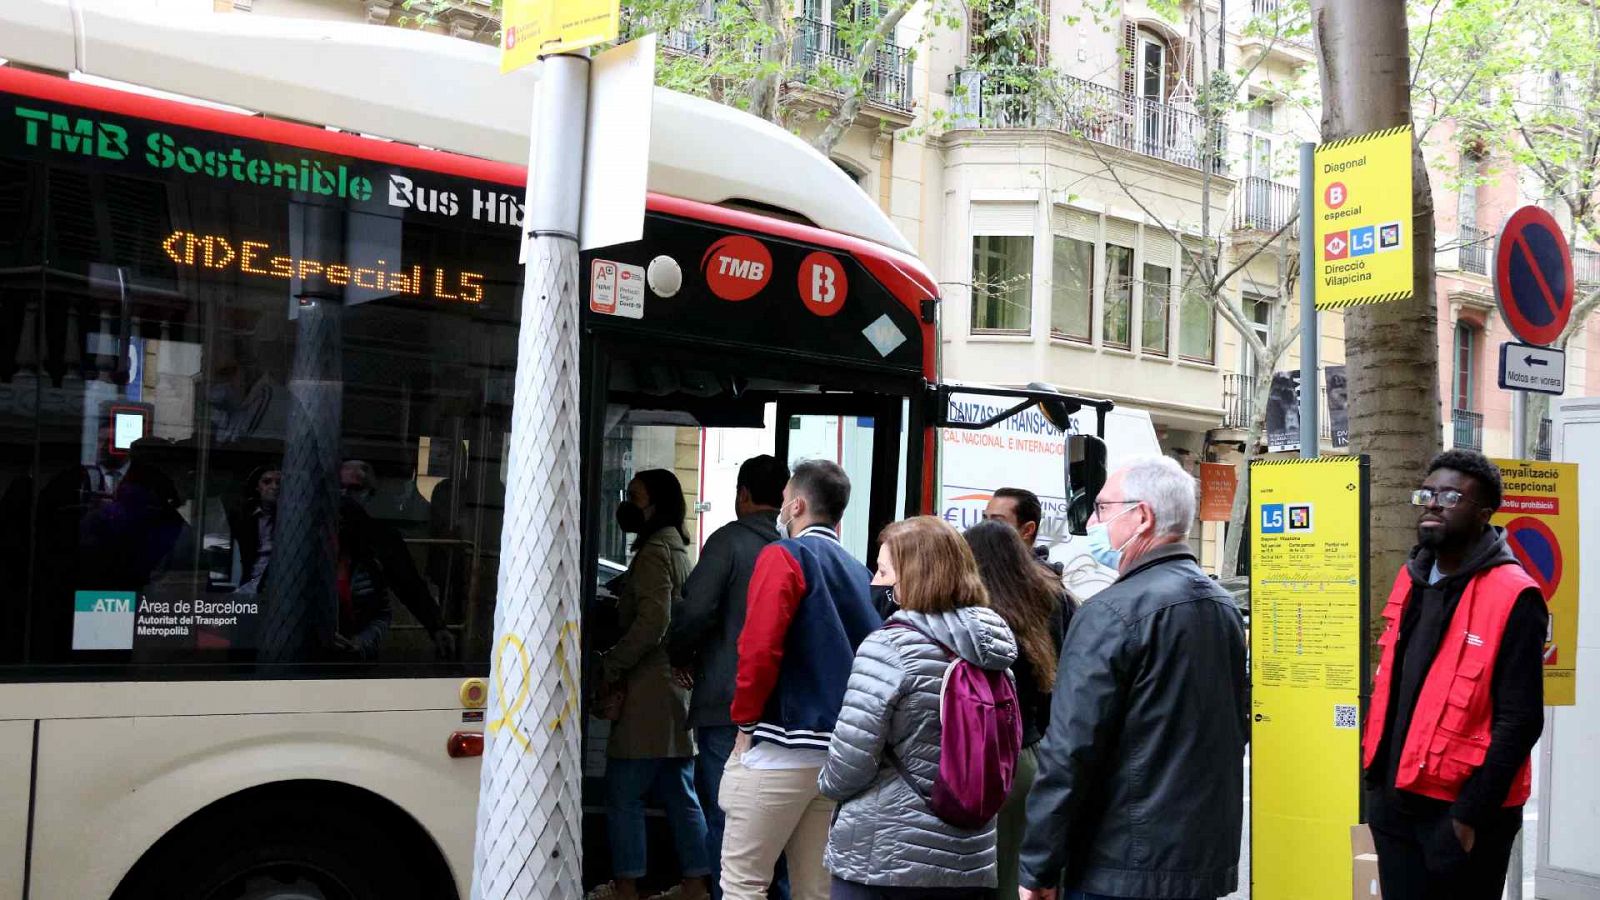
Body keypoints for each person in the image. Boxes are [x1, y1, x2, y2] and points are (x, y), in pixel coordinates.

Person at [1020, 456, 1247, 900]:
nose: (1094, 521)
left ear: (1141, 517)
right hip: (1197, 861)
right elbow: (1231, 730)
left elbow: (1070, 751)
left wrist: (1038, 865)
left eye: (1103, 508)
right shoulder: (1221, 607)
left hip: (1121, 865)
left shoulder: (1111, 613)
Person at [1362, 450, 1546, 900]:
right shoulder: (1412, 578)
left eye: (1450, 496)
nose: (1433, 504)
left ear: (1484, 515)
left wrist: (1468, 816)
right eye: (1427, 494)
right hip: (1395, 801)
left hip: (1460, 813)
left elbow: (1521, 721)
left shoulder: (1515, 594)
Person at [819, 516, 1018, 899]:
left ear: (913, 578)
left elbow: (849, 764)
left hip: (885, 855)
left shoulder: (888, 648)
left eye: (883, 571)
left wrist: (826, 785)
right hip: (970, 855)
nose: (875, 582)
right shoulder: (994, 653)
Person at [723, 460, 880, 900]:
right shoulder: (859, 572)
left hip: (779, 744)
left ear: (796, 505)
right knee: (817, 887)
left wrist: (744, 724)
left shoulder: (783, 557)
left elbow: (759, 649)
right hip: (840, 753)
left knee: (743, 883)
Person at [668, 455, 792, 900]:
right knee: (776, 822)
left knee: (729, 815)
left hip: (727, 703)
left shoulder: (727, 543)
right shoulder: (793, 548)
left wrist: (678, 654)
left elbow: (696, 610)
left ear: (742, 494)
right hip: (785, 711)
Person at [593, 468, 711, 900]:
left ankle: (626, 886)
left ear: (656, 503)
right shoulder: (677, 547)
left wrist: (611, 665)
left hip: (647, 690)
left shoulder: (655, 553)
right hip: (673, 692)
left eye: (636, 496)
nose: (628, 502)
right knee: (681, 792)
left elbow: (652, 622)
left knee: (624, 792)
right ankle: (696, 883)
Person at [961, 520, 1069, 900]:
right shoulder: (1049, 603)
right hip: (1035, 754)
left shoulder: (974, 619)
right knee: (1023, 877)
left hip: (988, 762)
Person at [340, 460, 455, 659]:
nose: (349, 501)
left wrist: (436, 626)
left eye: (357, 492)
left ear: (369, 497)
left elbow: (409, 583)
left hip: (359, 641)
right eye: (346, 492)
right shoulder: (312, 534)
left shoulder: (379, 538)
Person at [984, 487, 1062, 577]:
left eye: (997, 522)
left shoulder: (1045, 585)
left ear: (1027, 530)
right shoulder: (973, 571)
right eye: (985, 519)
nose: (985, 527)